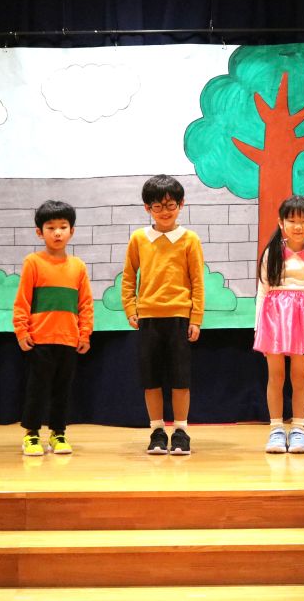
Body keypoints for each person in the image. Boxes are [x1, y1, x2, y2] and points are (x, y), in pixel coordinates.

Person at [122, 175, 205, 455]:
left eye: (170, 205)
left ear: (181, 204)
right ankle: (157, 430)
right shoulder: (139, 238)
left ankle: (181, 431)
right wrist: (130, 308)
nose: (164, 211)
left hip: (180, 318)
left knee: (181, 380)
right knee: (151, 380)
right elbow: (128, 276)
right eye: (157, 206)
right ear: (147, 208)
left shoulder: (190, 239)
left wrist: (196, 318)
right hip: (148, 318)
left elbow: (197, 281)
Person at [13, 200, 94, 456]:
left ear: (72, 231)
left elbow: (85, 304)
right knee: (36, 390)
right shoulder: (33, 262)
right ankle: (31, 435)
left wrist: (85, 334)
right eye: (50, 227)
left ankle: (58, 433)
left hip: (69, 340)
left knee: (62, 390)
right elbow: (22, 301)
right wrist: (22, 331)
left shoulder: (78, 266)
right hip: (39, 340)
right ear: (40, 232)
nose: (57, 232)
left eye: (63, 227)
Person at [254, 196, 304, 454]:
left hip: (303, 320)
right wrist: (258, 328)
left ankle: (297, 429)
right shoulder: (272, 252)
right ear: (281, 223)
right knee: (275, 376)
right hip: (274, 319)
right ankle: (276, 429)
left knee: (299, 376)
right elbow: (262, 291)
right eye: (292, 220)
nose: (298, 226)